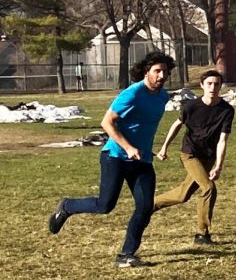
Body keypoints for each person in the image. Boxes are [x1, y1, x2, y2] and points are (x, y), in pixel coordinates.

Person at [48, 51, 176, 268]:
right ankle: (68, 206)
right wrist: (127, 147)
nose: (162, 76)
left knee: (145, 207)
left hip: (142, 160)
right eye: (157, 71)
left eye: (165, 72)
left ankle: (127, 255)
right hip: (115, 156)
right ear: (147, 71)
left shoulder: (163, 97)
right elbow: (107, 122)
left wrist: (147, 149)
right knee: (105, 205)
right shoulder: (132, 93)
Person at [154, 70, 235, 245]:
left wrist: (218, 165)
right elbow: (176, 125)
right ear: (202, 86)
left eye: (216, 84)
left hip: (208, 156)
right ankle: (202, 234)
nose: (213, 87)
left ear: (221, 86)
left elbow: (223, 139)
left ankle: (149, 206)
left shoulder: (226, 110)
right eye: (209, 84)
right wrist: (164, 148)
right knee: (208, 188)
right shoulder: (191, 106)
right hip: (190, 153)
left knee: (183, 195)